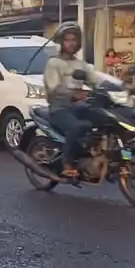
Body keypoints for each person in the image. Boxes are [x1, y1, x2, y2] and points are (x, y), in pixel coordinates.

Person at [43, 22, 111, 179]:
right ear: (61, 42)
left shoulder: (81, 64)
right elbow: (54, 87)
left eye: (74, 39)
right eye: (67, 40)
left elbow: (96, 80)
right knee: (78, 126)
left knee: (106, 118)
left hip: (78, 107)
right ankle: (67, 163)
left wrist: (122, 88)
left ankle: (100, 153)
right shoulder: (53, 64)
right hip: (59, 108)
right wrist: (73, 95)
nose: (71, 43)